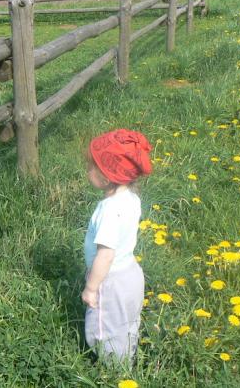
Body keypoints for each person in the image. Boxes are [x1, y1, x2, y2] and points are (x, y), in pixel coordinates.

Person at [81, 128, 153, 364]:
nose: (86, 170)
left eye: (91, 166)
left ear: (106, 176)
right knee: (127, 322)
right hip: (130, 273)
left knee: (104, 329)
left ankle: (112, 371)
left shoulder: (109, 210)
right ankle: (129, 358)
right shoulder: (131, 198)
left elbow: (106, 255)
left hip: (110, 281)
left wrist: (92, 288)